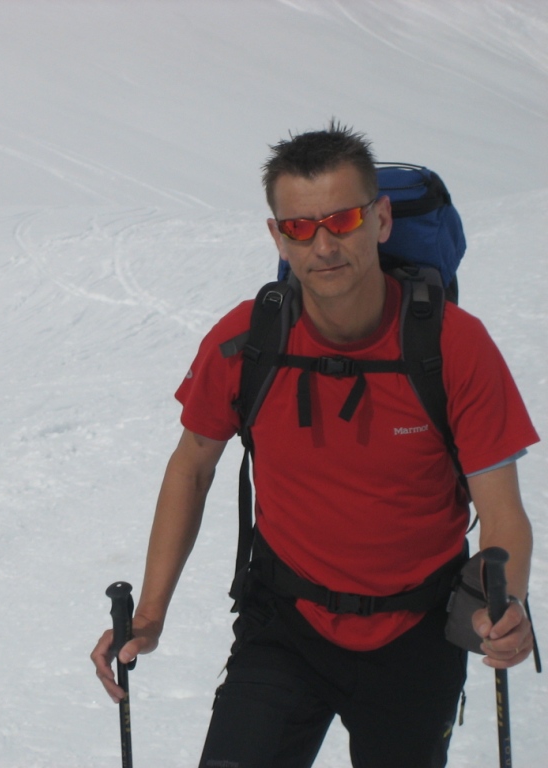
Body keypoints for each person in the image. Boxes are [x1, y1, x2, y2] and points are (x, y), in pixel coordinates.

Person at [91, 123, 538, 767]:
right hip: (285, 624)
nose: (324, 246)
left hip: (417, 635)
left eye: (343, 220)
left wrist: (507, 603)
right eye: (300, 228)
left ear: (380, 219)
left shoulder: (454, 346)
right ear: (277, 236)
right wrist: (151, 612)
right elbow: (192, 466)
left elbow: (502, 514)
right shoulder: (248, 339)